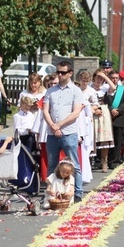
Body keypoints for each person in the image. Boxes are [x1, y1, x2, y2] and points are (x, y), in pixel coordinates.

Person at [43, 60, 86, 203]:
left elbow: (76, 112)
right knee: (52, 164)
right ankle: (51, 191)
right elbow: (45, 111)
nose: (60, 75)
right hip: (52, 133)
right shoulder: (50, 91)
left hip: (69, 132)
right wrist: (52, 125)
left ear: (70, 73)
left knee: (74, 164)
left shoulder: (76, 91)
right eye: (58, 72)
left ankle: (77, 192)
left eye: (63, 72)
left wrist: (59, 125)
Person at [91, 69, 116, 172]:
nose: (100, 80)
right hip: (91, 111)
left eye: (101, 78)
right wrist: (94, 110)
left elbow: (114, 87)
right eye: (98, 77)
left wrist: (105, 77)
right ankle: (90, 160)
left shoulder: (104, 88)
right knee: (91, 136)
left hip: (103, 112)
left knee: (104, 136)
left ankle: (104, 161)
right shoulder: (89, 88)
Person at [106, 69, 124, 169]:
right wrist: (111, 109)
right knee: (108, 141)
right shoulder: (105, 89)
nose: (114, 80)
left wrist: (118, 110)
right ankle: (106, 159)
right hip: (108, 117)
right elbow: (104, 102)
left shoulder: (122, 89)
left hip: (119, 118)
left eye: (116, 78)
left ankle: (115, 160)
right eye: (112, 78)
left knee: (119, 140)